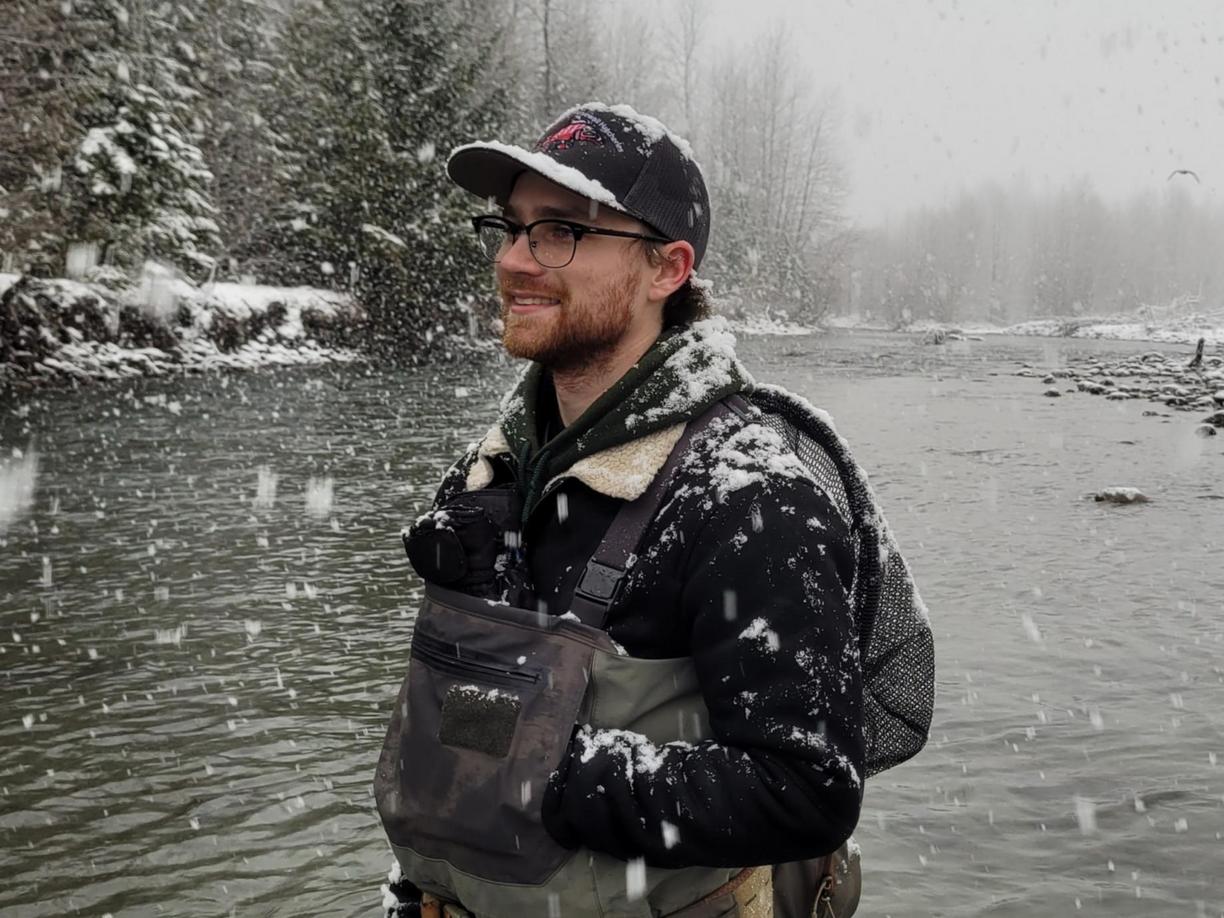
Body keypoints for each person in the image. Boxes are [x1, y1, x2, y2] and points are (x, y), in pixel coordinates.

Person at [374, 103, 933, 918]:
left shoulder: (752, 495)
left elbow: (806, 789)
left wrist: (551, 774)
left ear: (667, 270)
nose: (514, 260)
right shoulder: (495, 466)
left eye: (559, 230)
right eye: (511, 226)